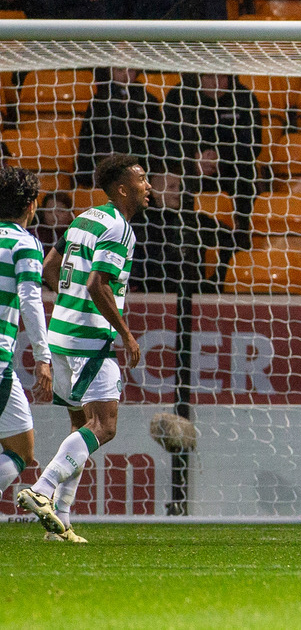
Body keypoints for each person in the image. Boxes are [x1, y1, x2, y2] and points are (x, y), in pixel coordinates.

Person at [17, 153, 151, 543]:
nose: (148, 187)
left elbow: (49, 266)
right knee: (104, 426)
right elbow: (98, 284)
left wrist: (68, 302)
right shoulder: (120, 229)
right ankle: (42, 489)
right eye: (141, 180)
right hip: (90, 339)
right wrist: (125, 334)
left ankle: (61, 523)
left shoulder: (85, 217)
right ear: (123, 188)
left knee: (80, 427)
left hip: (60, 334)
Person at [0, 166, 53, 531]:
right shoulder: (24, 242)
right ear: (32, 205)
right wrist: (44, 357)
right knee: (22, 450)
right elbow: (31, 301)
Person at [161, 71, 261, 242]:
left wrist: (220, 159)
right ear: (198, 77)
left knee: (247, 173)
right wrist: (194, 160)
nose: (217, 83)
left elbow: (253, 144)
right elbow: (167, 141)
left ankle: (240, 237)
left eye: (222, 77)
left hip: (232, 173)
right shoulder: (179, 97)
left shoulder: (244, 98)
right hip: (190, 171)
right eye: (210, 77)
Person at [129, 171, 230, 293]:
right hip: (150, 292)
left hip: (192, 291)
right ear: (154, 192)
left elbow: (231, 240)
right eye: (172, 187)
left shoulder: (196, 220)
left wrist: (214, 281)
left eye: (180, 187)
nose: (178, 192)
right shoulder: (140, 222)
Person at [74, 67, 168, 189]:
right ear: (111, 71)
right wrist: (87, 175)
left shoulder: (148, 101)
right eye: (120, 70)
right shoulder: (99, 102)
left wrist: (154, 170)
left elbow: (156, 140)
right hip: (107, 172)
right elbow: (88, 140)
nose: (125, 75)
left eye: (130, 70)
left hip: (141, 169)